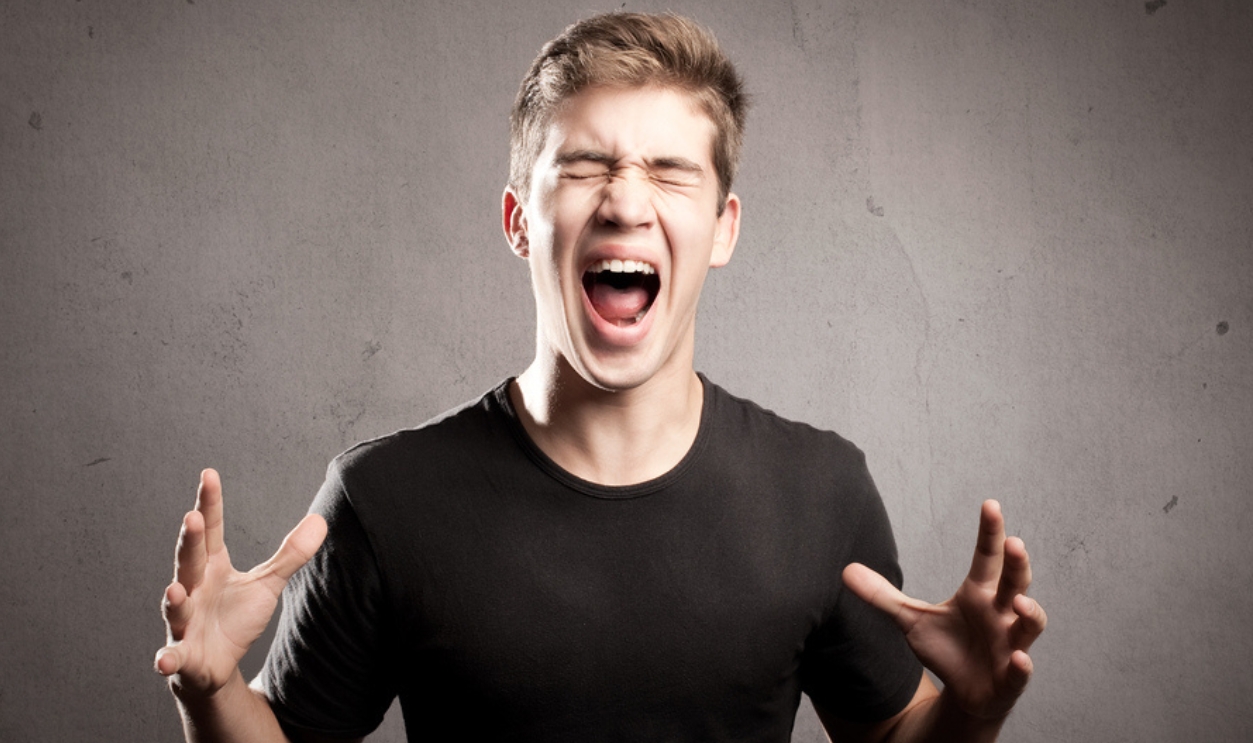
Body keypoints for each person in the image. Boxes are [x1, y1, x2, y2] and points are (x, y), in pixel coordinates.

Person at [155, 12, 1046, 743]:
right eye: (584, 167)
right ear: (518, 221)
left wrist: (969, 711)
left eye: (669, 171)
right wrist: (211, 690)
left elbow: (891, 736)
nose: (625, 199)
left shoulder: (821, 492)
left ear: (723, 228)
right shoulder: (386, 498)